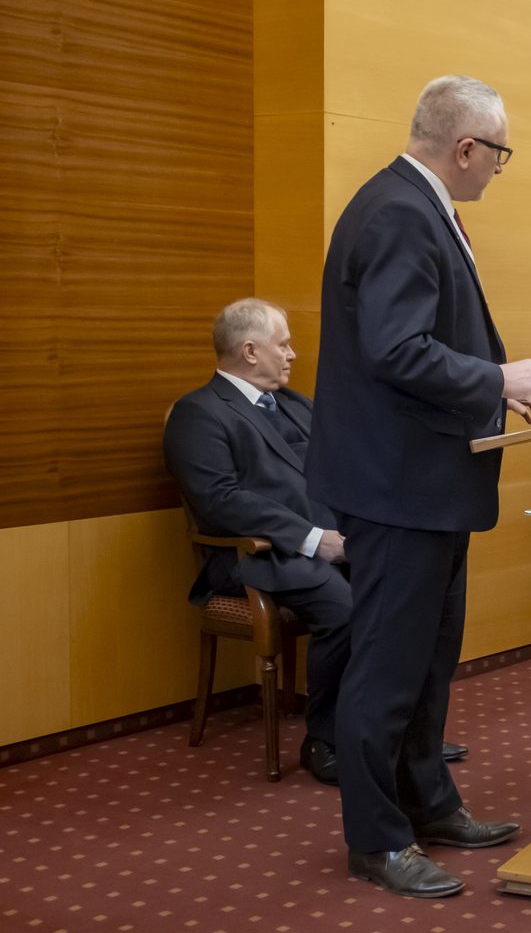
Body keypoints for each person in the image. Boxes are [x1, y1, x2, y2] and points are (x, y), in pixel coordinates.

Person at [305, 75, 531, 899]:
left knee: (428, 662)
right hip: (398, 484)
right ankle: (376, 840)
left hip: (427, 481)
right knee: (386, 667)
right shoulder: (402, 213)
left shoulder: (412, 206)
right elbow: (396, 349)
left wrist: (493, 386)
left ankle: (428, 803)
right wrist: (497, 375)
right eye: (499, 154)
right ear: (466, 148)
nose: (500, 171)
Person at [163, 300, 470, 789]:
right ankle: (325, 740)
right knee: (346, 608)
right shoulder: (198, 414)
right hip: (252, 556)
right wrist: (313, 540)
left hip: (333, 544)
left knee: (408, 595)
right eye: (281, 344)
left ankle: (407, 737)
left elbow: (347, 465)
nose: (292, 353)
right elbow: (220, 500)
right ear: (248, 350)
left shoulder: (296, 403)